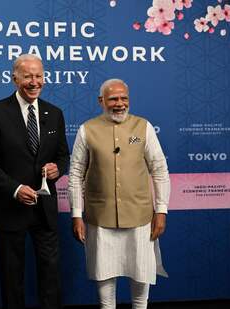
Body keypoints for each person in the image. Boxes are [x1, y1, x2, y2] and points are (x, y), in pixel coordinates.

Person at [0, 54, 70, 309]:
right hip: (9, 208)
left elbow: (63, 156)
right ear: (14, 77)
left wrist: (57, 169)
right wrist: (15, 189)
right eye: (27, 76)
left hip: (45, 210)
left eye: (38, 76)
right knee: (11, 275)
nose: (34, 82)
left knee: (50, 274)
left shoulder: (55, 113)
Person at [68, 79, 170, 309]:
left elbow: (160, 170)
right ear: (101, 101)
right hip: (100, 219)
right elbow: (75, 174)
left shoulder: (142, 128)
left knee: (141, 280)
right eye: (113, 98)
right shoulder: (87, 130)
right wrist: (76, 214)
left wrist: (161, 210)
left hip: (140, 217)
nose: (119, 104)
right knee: (105, 284)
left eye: (124, 98)